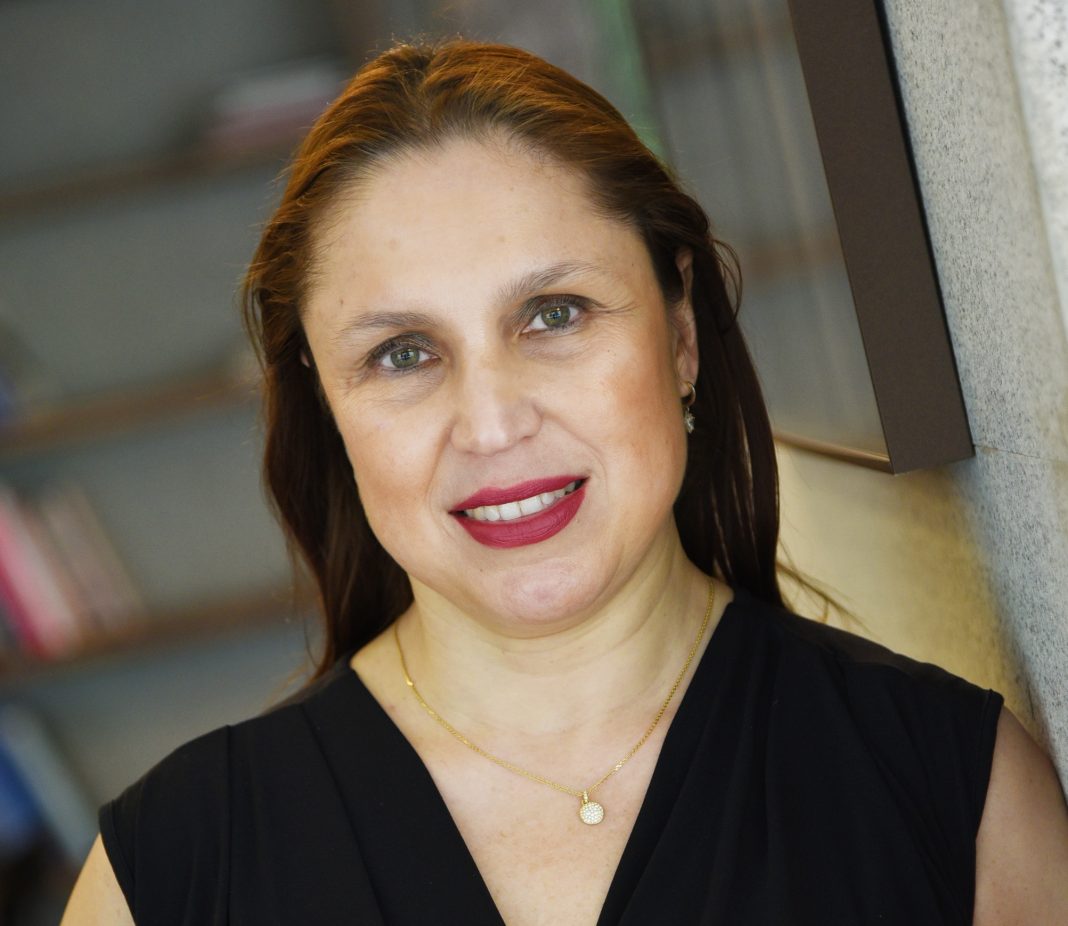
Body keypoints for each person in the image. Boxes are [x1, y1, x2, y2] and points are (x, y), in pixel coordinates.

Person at [63, 39, 1068, 925]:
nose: (494, 423)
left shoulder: (957, 790)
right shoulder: (170, 873)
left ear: (680, 334)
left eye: (555, 313)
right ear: (326, 405)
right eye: (404, 353)